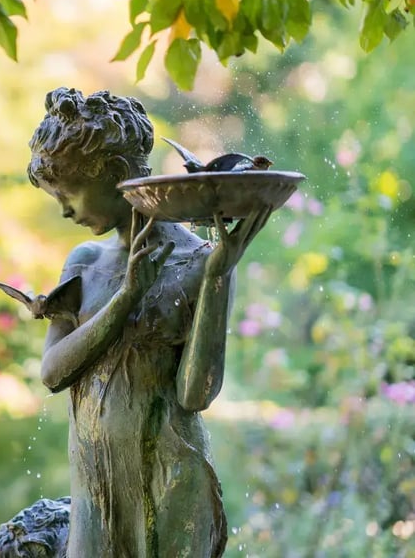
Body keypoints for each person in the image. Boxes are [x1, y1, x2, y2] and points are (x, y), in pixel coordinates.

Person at [26, 88, 271, 557]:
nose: (63, 209)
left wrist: (220, 274)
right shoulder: (84, 261)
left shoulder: (201, 261)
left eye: (68, 192)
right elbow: (53, 373)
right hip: (96, 481)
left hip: (171, 477)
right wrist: (126, 298)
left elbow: (195, 394)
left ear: (116, 175)